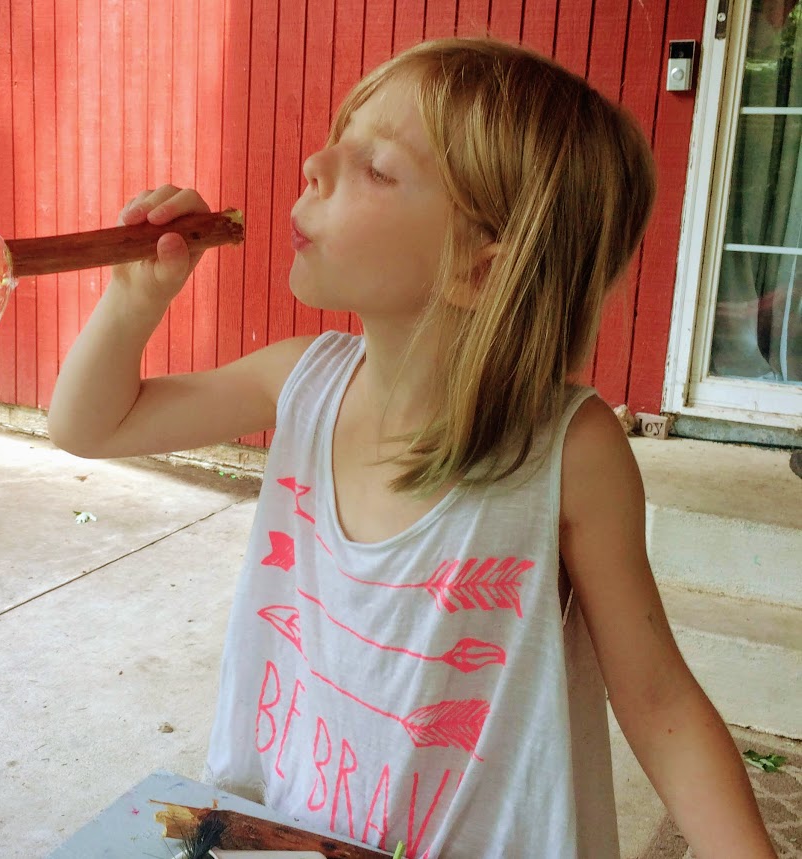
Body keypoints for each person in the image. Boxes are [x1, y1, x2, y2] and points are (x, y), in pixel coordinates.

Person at [48, 37, 775, 859]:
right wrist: (134, 300)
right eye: (337, 141)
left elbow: (660, 703)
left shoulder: (570, 453)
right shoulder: (299, 381)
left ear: (479, 269)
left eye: (376, 167)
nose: (315, 164)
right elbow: (91, 424)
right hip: (295, 835)